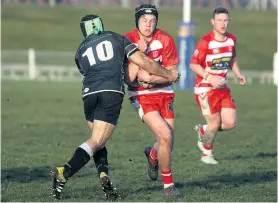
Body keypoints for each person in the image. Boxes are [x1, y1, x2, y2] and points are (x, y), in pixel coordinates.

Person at [51, 14, 179, 200]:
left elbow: (86, 71)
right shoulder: (115, 37)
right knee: (96, 142)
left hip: (88, 94)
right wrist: (168, 73)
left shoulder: (79, 51)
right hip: (110, 92)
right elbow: (143, 62)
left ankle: (104, 177)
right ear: (100, 25)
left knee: (97, 140)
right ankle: (64, 172)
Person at [124, 4, 182, 197]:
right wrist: (137, 54)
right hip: (141, 96)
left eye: (152, 21)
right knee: (165, 135)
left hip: (164, 92)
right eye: (144, 21)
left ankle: (153, 155)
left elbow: (173, 75)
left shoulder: (165, 39)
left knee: (168, 142)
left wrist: (150, 78)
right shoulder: (128, 39)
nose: (148, 25)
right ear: (137, 21)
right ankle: (168, 187)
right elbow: (128, 79)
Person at [190, 7, 246, 165]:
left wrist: (238, 74)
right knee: (214, 124)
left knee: (231, 122)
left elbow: (232, 59)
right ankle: (206, 154)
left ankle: (203, 130)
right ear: (213, 22)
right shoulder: (205, 42)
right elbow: (193, 65)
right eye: (219, 20)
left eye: (225, 20)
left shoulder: (231, 39)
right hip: (205, 89)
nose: (223, 23)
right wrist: (210, 77)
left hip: (222, 88)